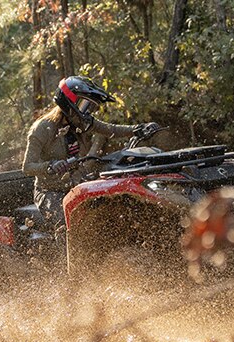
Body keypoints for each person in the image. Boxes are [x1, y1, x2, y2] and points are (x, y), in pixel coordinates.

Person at [22, 76, 159, 232]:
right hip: (49, 191)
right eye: (84, 105)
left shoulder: (80, 123)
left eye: (90, 107)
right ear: (68, 102)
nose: (87, 111)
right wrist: (50, 166)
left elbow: (111, 130)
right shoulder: (41, 129)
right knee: (66, 221)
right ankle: (68, 257)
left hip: (76, 185)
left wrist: (138, 129)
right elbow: (27, 167)